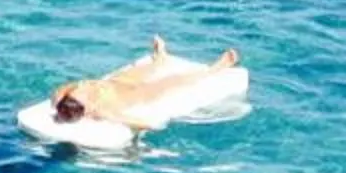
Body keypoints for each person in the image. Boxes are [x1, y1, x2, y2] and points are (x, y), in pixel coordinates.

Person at [46, 40, 242, 130]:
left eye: (77, 94)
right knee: (179, 81)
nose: (82, 92)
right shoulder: (103, 110)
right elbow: (138, 123)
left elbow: (60, 90)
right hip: (141, 93)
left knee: (147, 68)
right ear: (87, 110)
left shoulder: (72, 93)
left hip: (118, 81)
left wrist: (58, 99)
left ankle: (161, 58)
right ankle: (216, 68)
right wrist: (152, 125)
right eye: (83, 98)